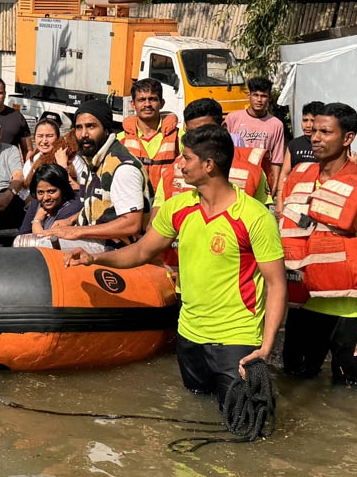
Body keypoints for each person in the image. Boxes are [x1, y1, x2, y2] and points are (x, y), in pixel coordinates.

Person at [64, 125, 286, 407]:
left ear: (209, 165)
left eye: (187, 158)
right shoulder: (179, 207)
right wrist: (94, 258)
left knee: (245, 425)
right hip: (189, 336)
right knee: (195, 412)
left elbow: (277, 284)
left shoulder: (254, 217)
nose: (179, 165)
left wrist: (265, 348)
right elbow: (143, 250)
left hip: (237, 339)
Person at [279, 103, 357, 387]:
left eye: (325, 132)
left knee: (352, 395)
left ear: (347, 138)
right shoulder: (298, 176)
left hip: (351, 312)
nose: (316, 137)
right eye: (314, 131)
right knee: (293, 385)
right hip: (304, 307)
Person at [42, 99, 149, 252]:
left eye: (91, 126)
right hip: (96, 238)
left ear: (106, 129)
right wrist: (70, 220)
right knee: (29, 239)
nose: (84, 134)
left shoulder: (122, 167)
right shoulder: (95, 160)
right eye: (79, 127)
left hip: (118, 249)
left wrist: (76, 231)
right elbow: (103, 207)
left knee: (35, 246)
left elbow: (132, 224)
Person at [224, 76, 285, 195]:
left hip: (262, 180)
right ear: (249, 96)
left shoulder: (276, 124)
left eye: (263, 96)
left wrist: (275, 185)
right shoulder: (233, 118)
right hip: (235, 177)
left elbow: (276, 161)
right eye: (256, 95)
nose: (259, 100)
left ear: (269, 98)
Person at [118, 78, 179, 191]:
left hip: (167, 204)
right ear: (133, 104)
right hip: (134, 204)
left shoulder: (179, 137)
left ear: (162, 103)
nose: (147, 104)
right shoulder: (120, 140)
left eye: (152, 99)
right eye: (141, 100)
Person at [276, 100, 323, 210]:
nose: (308, 125)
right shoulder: (294, 144)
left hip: (316, 201)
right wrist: (279, 200)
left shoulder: (326, 145)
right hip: (294, 199)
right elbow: (285, 173)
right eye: (305, 120)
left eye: (312, 121)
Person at [17, 163, 83, 235]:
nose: (46, 198)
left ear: (63, 190)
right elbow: (23, 234)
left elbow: (47, 240)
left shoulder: (72, 207)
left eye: (51, 192)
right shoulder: (37, 201)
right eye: (41, 192)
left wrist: (37, 221)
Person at [21, 118, 84, 194]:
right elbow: (24, 191)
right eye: (40, 136)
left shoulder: (73, 159)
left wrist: (63, 166)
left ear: (58, 138)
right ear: (34, 138)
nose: (44, 141)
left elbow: (81, 191)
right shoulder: (32, 160)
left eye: (49, 136)